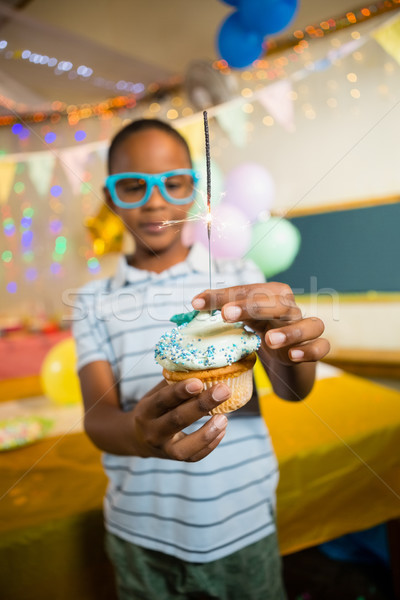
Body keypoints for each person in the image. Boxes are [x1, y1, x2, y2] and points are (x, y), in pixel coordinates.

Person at [72, 118, 330, 600]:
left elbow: (295, 391)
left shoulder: (240, 275)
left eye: (172, 183)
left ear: (195, 191)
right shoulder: (91, 300)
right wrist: (139, 434)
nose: (154, 201)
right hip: (140, 533)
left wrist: (293, 351)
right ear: (110, 197)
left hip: (243, 522)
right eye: (133, 187)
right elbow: (97, 419)